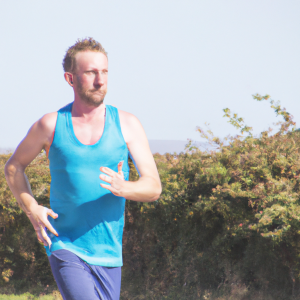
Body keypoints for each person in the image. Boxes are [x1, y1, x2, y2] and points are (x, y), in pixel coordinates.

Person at [5, 37, 162, 300]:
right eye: (91, 73)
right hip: (65, 243)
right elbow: (14, 167)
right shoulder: (50, 124)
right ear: (70, 79)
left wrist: (125, 187)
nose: (100, 80)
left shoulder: (127, 124)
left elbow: (153, 187)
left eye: (104, 72)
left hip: (109, 252)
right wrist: (32, 208)